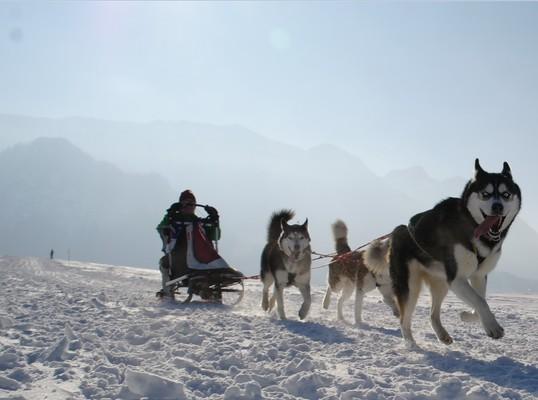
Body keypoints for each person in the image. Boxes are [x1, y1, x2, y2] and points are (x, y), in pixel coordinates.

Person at [156, 189, 220, 298]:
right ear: (181, 204)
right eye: (187, 202)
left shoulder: (201, 223)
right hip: (179, 258)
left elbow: (215, 236)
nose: (190, 205)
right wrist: (170, 214)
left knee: (164, 263)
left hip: (198, 258)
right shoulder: (174, 219)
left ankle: (171, 291)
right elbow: (161, 228)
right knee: (164, 263)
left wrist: (215, 220)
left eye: (192, 202)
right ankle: (168, 293)